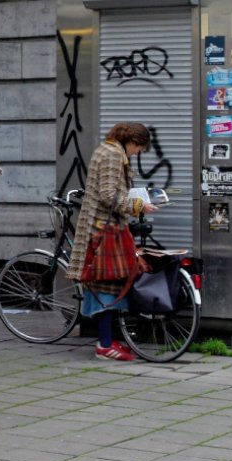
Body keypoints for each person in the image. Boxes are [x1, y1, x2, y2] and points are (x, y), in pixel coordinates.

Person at [65, 122, 159, 363]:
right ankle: (105, 345)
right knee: (106, 286)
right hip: (103, 232)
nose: (138, 153)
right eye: (139, 148)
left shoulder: (107, 150)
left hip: (101, 229)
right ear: (132, 142)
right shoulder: (113, 155)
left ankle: (106, 340)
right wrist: (139, 206)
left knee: (107, 285)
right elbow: (108, 195)